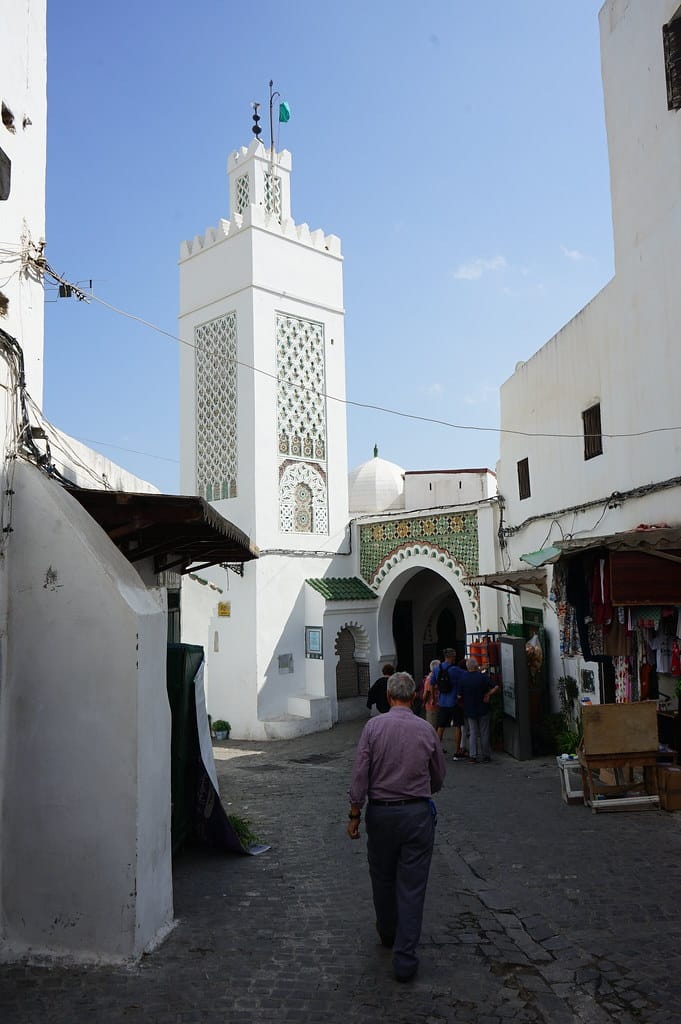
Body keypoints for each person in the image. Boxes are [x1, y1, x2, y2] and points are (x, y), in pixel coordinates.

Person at [347, 672, 446, 982]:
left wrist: (354, 813)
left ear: (389, 697)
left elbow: (361, 773)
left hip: (381, 814)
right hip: (416, 815)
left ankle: (388, 932)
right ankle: (404, 960)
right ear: (414, 696)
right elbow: (439, 776)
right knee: (412, 887)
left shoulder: (373, 728)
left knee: (382, 878)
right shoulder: (426, 730)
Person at [458, 656, 500, 763]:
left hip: (469, 709)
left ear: (467, 667)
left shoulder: (463, 678)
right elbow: (496, 686)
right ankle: (486, 755)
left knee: (472, 732)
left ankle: (473, 755)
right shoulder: (482, 677)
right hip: (483, 707)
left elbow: (459, 695)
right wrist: (488, 694)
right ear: (476, 666)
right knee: (484, 732)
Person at [432, 648, 468, 758]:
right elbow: (467, 675)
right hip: (454, 702)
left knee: (441, 726)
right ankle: (457, 751)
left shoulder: (437, 668)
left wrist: (435, 697)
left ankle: (436, 751)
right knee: (457, 726)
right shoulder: (456, 670)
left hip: (442, 702)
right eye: (454, 656)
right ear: (451, 657)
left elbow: (432, 683)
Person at [422, 659, 440, 728]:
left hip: (435, 705)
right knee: (432, 727)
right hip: (432, 706)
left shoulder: (433, 678)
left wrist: (423, 702)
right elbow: (426, 693)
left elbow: (425, 694)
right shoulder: (430, 679)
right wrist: (424, 702)